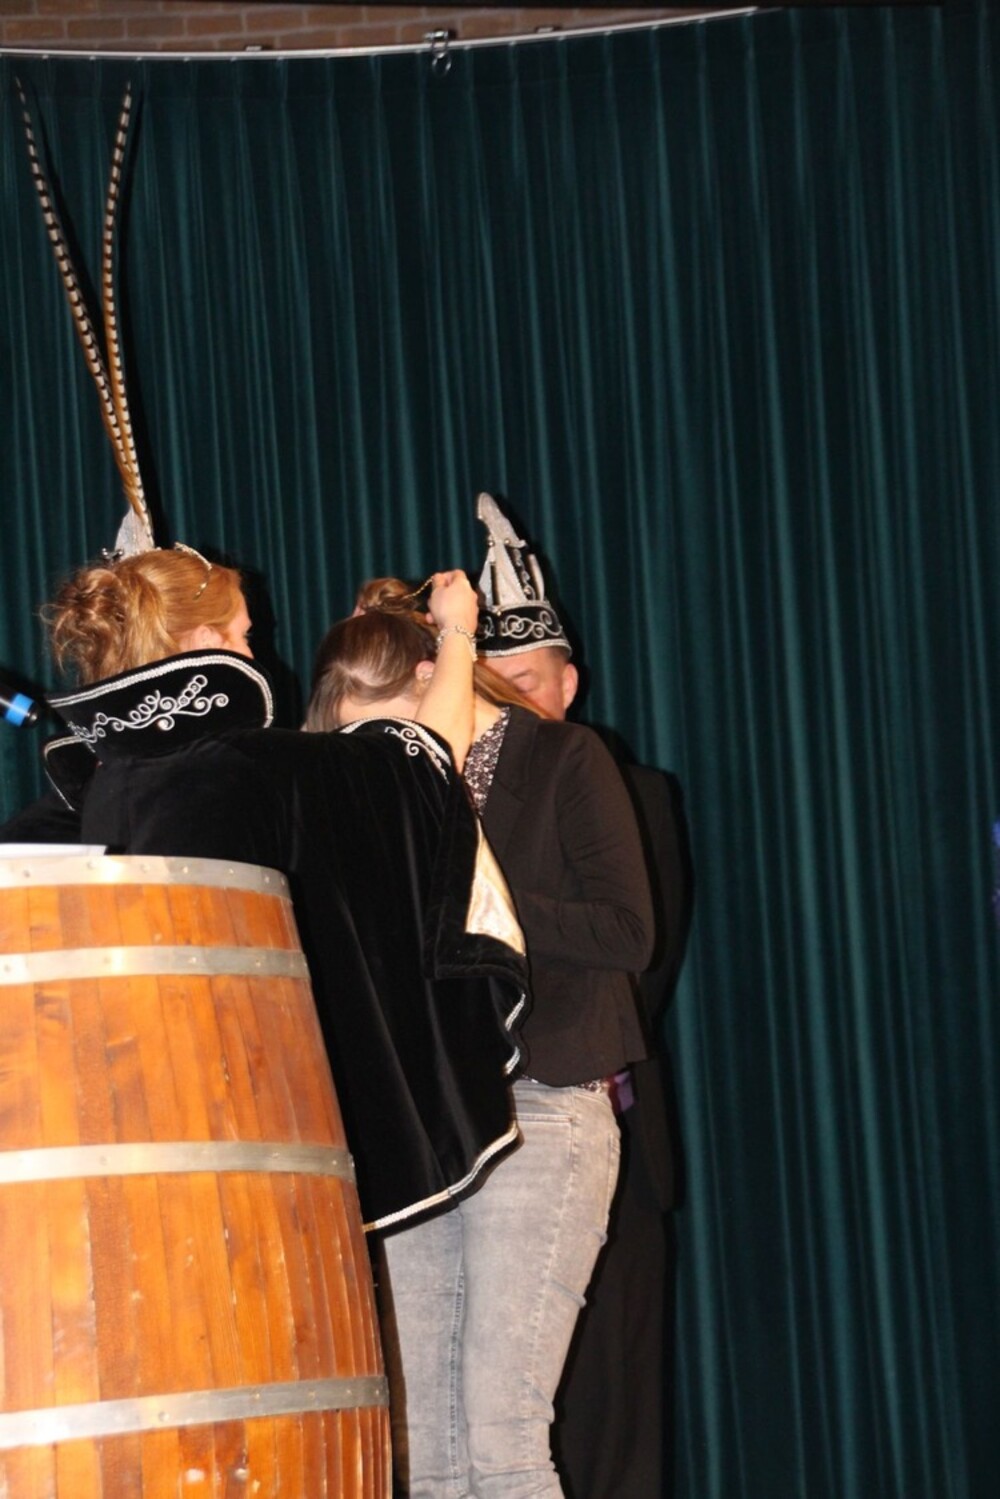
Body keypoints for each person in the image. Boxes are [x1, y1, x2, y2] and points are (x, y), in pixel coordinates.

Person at [0, 547, 527, 1233]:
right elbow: (424, 758)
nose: (257, 653)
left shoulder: (96, 792)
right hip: (252, 1126)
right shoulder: (257, 767)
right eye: (246, 635)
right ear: (204, 640)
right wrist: (457, 631)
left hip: (135, 1125)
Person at [307, 572, 654, 1499]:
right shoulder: (394, 791)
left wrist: (472, 893)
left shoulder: (564, 756)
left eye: (385, 722)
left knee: (503, 1438)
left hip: (544, 1104)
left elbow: (627, 931)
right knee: (425, 1443)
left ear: (434, 678)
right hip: (428, 1122)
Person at [476, 494, 694, 1499]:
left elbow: (640, 957)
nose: (514, 703)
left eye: (529, 682)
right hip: (483, 1134)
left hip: (596, 1111)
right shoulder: (455, 802)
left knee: (610, 1404)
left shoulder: (627, 790)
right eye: (495, 686)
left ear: (569, 681)